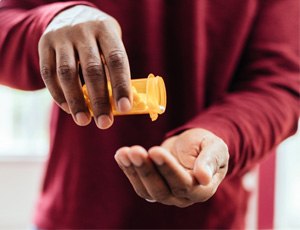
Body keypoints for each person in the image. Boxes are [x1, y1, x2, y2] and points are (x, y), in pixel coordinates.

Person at [0, 0, 299, 229]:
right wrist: (55, 18)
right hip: (76, 213)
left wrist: (222, 134)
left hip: (209, 219)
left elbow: (279, 82)